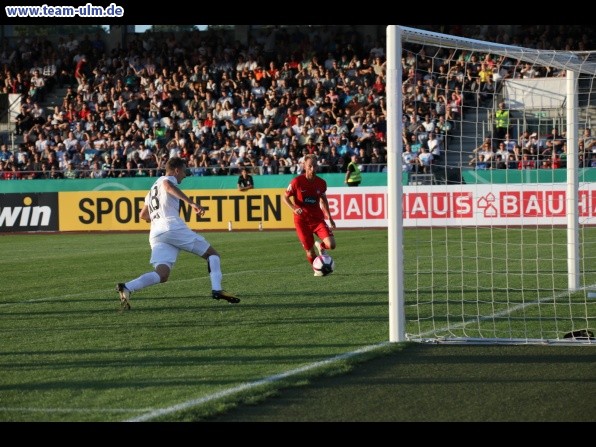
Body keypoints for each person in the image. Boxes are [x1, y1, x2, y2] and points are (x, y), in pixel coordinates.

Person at [116, 157, 240, 310]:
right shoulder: (166, 180)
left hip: (156, 233)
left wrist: (158, 217)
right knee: (212, 255)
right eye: (184, 171)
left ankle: (127, 287)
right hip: (171, 226)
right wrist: (192, 203)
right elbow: (168, 186)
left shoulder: (152, 188)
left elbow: (143, 215)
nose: (185, 175)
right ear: (176, 170)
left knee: (162, 274)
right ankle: (217, 289)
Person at [283, 154, 337, 276]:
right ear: (304, 166)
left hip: (317, 220)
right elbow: (285, 197)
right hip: (302, 222)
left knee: (332, 244)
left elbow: (323, 200)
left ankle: (322, 247)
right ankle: (317, 269)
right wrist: (294, 208)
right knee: (310, 252)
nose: (312, 169)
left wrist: (330, 217)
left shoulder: (321, 183)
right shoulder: (297, 181)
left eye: (314, 166)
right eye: (310, 166)